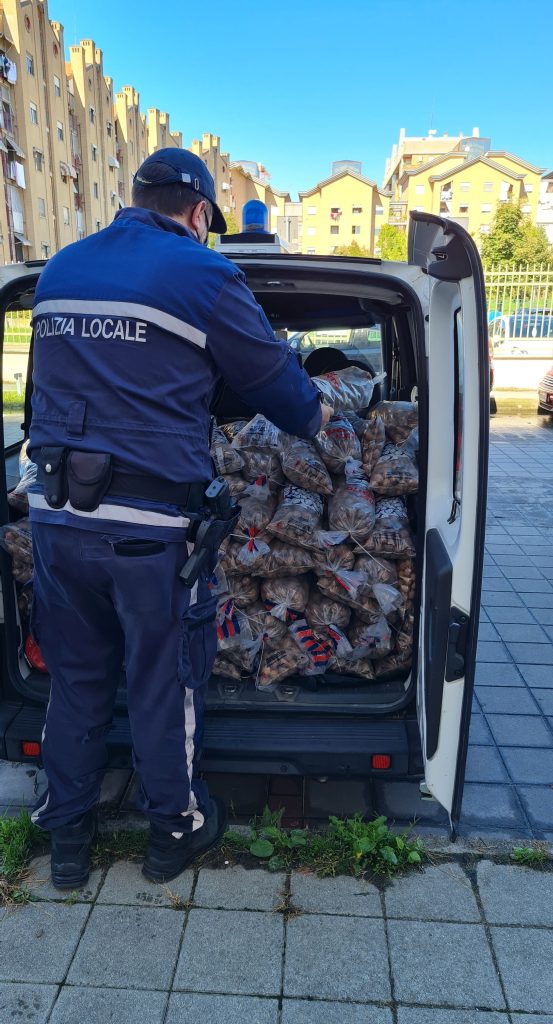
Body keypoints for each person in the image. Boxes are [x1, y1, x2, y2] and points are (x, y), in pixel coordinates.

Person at [27, 148, 330, 888]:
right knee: (163, 683)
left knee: (76, 680)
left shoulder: (60, 268)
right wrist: (319, 409)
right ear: (199, 214)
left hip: (56, 518)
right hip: (149, 531)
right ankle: (173, 831)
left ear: (136, 198)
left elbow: (46, 390)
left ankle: (67, 841)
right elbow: (284, 394)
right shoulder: (204, 273)